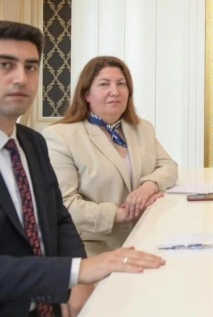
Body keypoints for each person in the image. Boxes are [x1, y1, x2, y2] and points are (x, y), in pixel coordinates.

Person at [0, 20, 164, 317]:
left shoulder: (31, 141)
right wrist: (77, 271)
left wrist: (78, 282)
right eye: (5, 65)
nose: (21, 78)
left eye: (31, 67)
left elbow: (58, 219)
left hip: (46, 312)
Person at [42, 56, 178, 256]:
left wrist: (149, 186)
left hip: (145, 239)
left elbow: (169, 166)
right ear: (86, 94)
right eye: (104, 84)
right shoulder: (60, 135)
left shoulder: (142, 128)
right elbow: (64, 204)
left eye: (121, 84)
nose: (115, 91)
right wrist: (121, 215)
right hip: (92, 249)